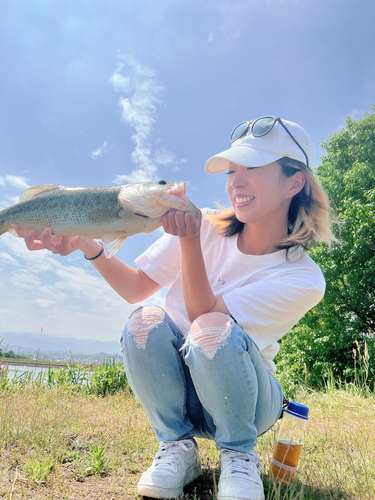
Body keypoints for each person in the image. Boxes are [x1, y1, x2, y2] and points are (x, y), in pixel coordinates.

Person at [16, 116, 336, 500]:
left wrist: (189, 240)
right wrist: (88, 245)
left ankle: (239, 454)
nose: (236, 180)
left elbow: (207, 317)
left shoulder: (303, 277)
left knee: (213, 327)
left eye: (252, 167)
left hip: (248, 403)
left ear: (294, 182)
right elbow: (136, 288)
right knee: (143, 320)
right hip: (182, 391)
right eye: (232, 170)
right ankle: (177, 446)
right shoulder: (204, 225)